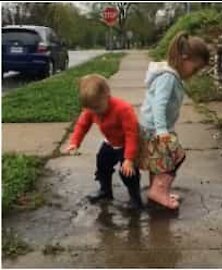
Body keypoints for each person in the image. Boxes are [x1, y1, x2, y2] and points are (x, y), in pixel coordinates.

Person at [138, 31, 210, 209]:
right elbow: (158, 105)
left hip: (154, 127)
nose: (195, 73)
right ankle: (158, 191)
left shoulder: (172, 76)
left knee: (159, 164)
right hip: (156, 129)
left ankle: (158, 190)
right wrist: (162, 130)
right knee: (176, 157)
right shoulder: (168, 78)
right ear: (184, 58)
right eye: (195, 68)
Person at [65, 74, 143, 209]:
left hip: (127, 144)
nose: (95, 112)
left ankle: (135, 199)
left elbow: (132, 135)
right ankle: (105, 191)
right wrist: (74, 142)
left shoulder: (123, 109)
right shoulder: (92, 110)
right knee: (102, 164)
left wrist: (129, 159)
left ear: (107, 96)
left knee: (128, 172)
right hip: (110, 142)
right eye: (90, 109)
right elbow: (82, 125)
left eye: (97, 107)